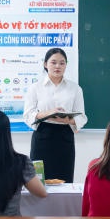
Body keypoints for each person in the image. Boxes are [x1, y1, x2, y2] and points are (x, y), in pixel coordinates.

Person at [23, 47, 87, 183]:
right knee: (39, 180)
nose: (58, 66)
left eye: (62, 63)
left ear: (66, 65)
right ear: (45, 64)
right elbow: (28, 115)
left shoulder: (75, 89)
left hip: (65, 138)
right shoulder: (35, 87)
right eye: (53, 62)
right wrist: (49, 113)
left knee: (65, 180)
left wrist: (66, 121)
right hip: (42, 137)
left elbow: (82, 117)